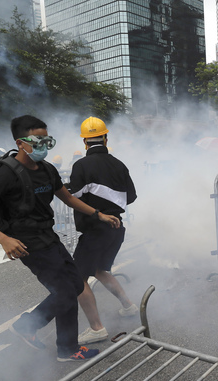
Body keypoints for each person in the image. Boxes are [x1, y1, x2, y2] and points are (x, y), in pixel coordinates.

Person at [0, 115, 121, 362]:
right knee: (65, 291)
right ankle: (35, 331)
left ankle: (63, 346)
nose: (43, 146)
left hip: (48, 236)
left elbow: (68, 198)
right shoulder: (5, 174)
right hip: (26, 242)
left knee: (75, 285)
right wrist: (3, 239)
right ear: (20, 142)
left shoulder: (48, 170)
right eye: (37, 140)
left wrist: (98, 214)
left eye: (46, 140)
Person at [69, 117, 138, 345]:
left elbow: (73, 198)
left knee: (77, 277)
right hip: (117, 228)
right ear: (106, 138)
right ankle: (129, 306)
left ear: (85, 142)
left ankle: (96, 328)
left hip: (95, 230)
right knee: (99, 270)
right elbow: (132, 197)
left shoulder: (81, 165)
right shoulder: (119, 164)